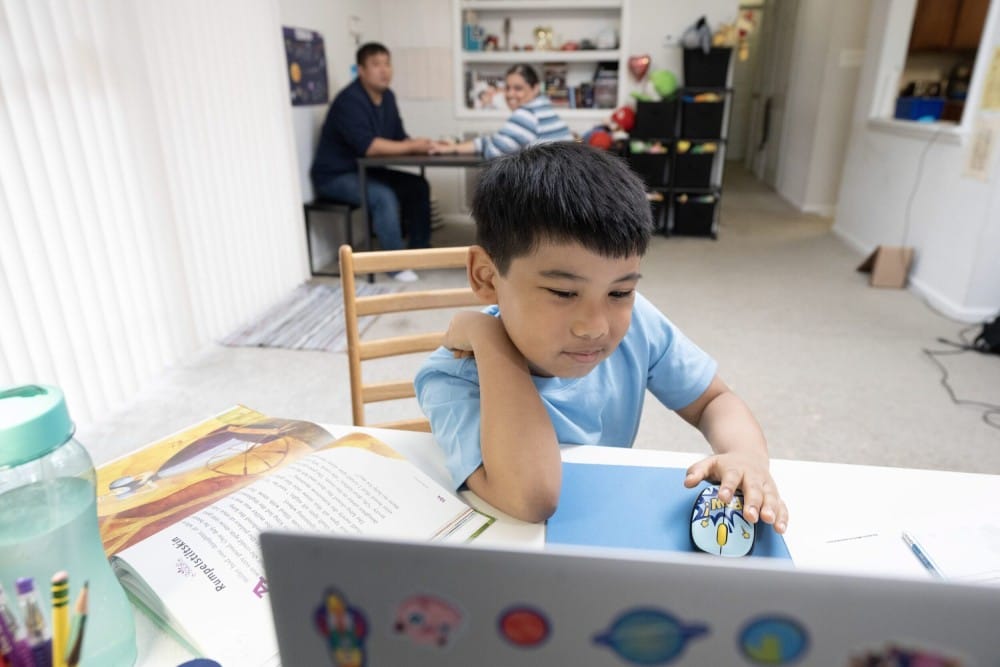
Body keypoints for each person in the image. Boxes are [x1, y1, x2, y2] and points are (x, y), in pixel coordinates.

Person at [414, 142, 789, 532]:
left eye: (619, 292)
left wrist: (746, 455)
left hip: (609, 526)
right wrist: (485, 333)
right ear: (485, 277)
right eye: (563, 293)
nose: (596, 326)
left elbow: (714, 399)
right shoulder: (452, 377)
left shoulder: (639, 323)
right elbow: (532, 497)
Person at [311, 42, 443, 282]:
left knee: (417, 185)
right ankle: (394, 265)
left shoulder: (388, 97)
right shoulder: (348, 101)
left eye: (387, 63)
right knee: (383, 197)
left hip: (368, 171)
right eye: (376, 64)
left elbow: (398, 138)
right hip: (335, 176)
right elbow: (370, 148)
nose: (384, 70)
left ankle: (420, 249)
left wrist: (426, 146)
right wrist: (412, 146)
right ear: (361, 70)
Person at [435, 64, 572, 158]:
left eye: (518, 88)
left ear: (535, 88)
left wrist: (455, 147)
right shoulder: (543, 109)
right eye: (507, 88)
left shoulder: (527, 114)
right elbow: (501, 142)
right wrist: (455, 148)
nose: (510, 94)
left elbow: (494, 152)